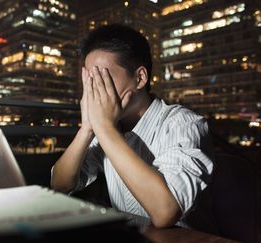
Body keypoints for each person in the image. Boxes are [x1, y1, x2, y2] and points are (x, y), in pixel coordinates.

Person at [50, 24, 217, 231]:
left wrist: (104, 128)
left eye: (104, 78)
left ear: (140, 78)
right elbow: (60, 184)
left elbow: (165, 212)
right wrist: (87, 129)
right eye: (91, 80)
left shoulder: (182, 123)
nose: (96, 89)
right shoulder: (109, 127)